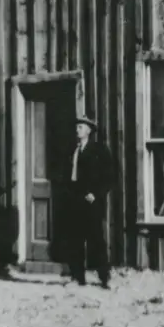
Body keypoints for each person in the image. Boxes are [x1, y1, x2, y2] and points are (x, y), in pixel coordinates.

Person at [67, 115, 114, 289]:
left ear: (89, 130)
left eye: (80, 127)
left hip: (92, 203)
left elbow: (109, 177)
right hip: (76, 201)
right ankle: (78, 277)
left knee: (96, 240)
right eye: (77, 126)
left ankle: (104, 277)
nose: (77, 130)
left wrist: (96, 194)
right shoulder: (74, 150)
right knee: (76, 240)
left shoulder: (99, 150)